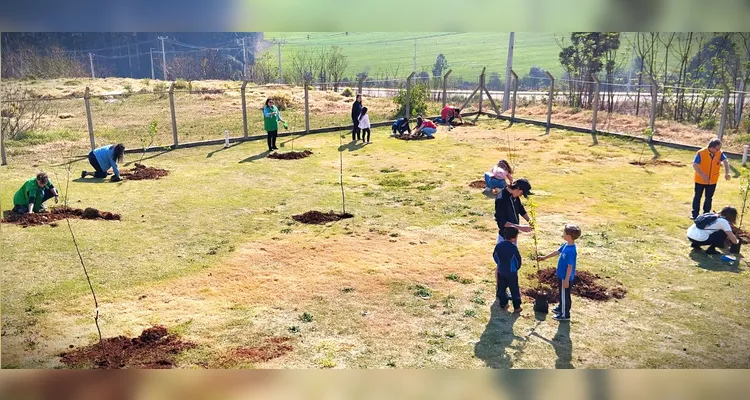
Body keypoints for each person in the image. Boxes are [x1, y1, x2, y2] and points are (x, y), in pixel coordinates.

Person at [537, 224, 581, 321]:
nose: (563, 234)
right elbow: (557, 252)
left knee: (565, 295)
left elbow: (570, 266)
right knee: (562, 294)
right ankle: (561, 308)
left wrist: (566, 280)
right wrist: (544, 258)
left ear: (568, 236)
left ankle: (565, 315)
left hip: (566, 278)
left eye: (564, 233)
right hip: (561, 275)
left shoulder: (571, 251)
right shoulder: (566, 245)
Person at [692, 138, 731, 220]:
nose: (719, 150)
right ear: (711, 147)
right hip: (700, 180)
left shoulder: (719, 153)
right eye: (717, 149)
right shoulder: (701, 153)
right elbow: (695, 164)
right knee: (697, 197)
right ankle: (695, 214)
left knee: (709, 198)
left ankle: (706, 214)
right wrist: (702, 175)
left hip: (713, 181)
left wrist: (727, 173)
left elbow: (726, 162)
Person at [493, 226, 523, 313]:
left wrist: (499, 264)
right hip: (511, 272)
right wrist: (516, 268)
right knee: (514, 289)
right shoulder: (513, 248)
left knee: (501, 288)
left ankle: (503, 304)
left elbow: (495, 256)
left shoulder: (499, 246)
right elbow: (518, 260)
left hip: (501, 270)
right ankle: (517, 307)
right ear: (514, 238)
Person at [494, 179, 533, 244]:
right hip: (505, 237)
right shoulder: (501, 200)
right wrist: (519, 227)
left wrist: (529, 221)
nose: (520, 195)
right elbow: (502, 222)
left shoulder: (514, 195)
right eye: (521, 193)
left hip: (514, 236)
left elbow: (521, 209)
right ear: (517, 189)